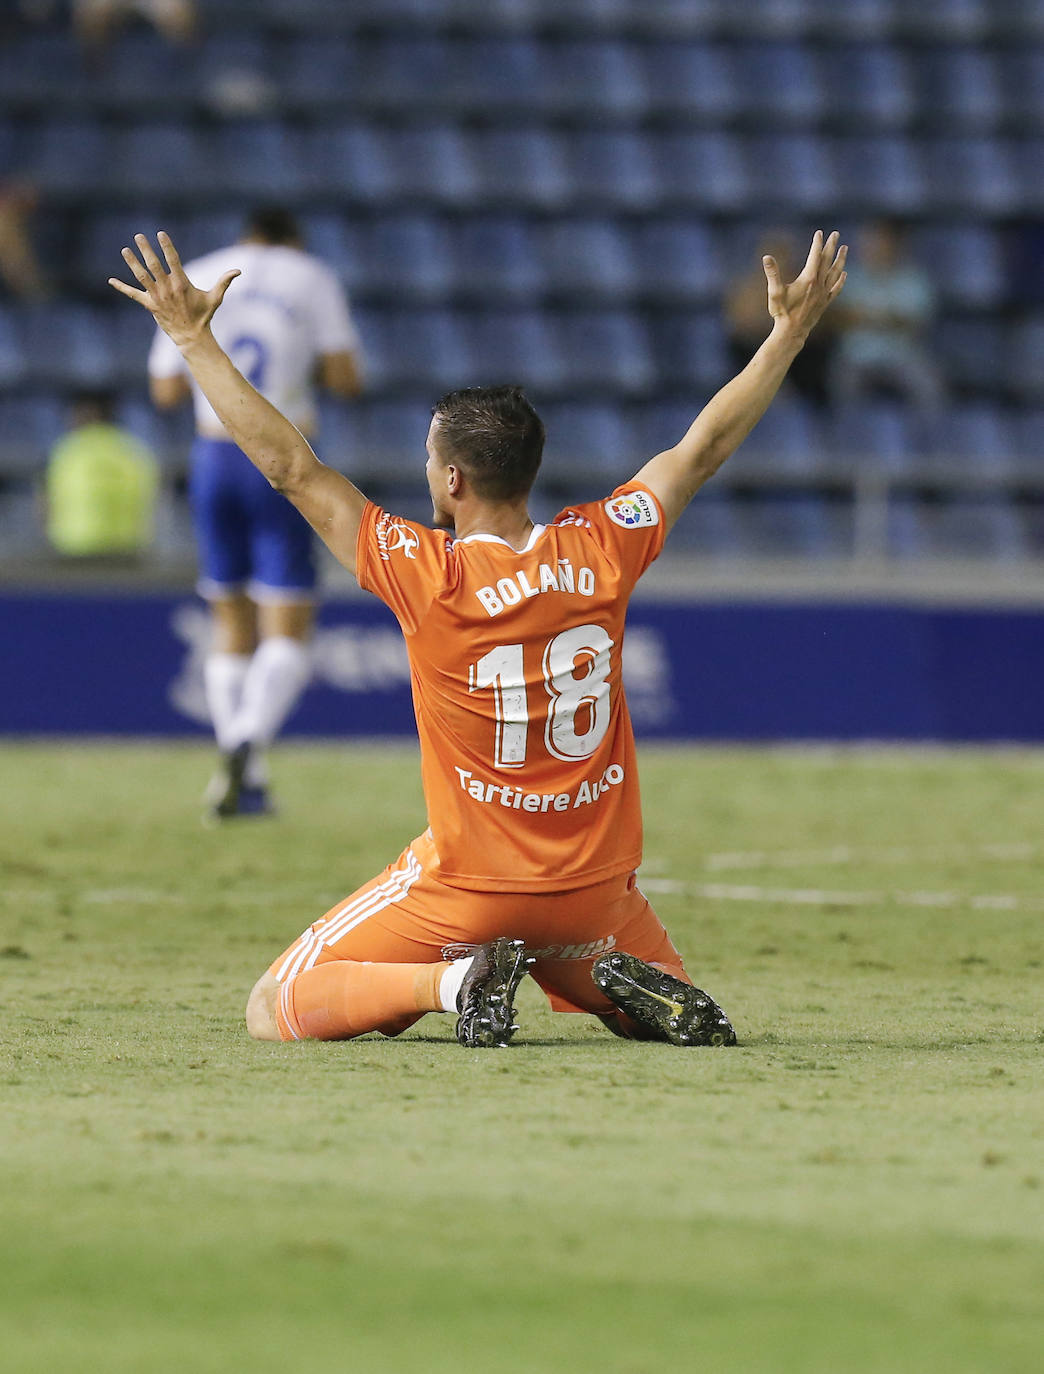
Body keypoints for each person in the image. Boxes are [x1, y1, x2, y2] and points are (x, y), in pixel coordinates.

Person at [111, 227, 846, 1049]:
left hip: (470, 890)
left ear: (453, 480)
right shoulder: (603, 546)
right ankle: (609, 977)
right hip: (596, 893)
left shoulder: (423, 570)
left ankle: (457, 978)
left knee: (274, 1002)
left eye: (431, 460)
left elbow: (291, 467)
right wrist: (788, 332)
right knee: (614, 969)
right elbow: (701, 447)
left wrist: (190, 339)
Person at [147, 207, 364, 820]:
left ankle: (241, 771)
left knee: (228, 616)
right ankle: (248, 738)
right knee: (287, 620)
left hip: (211, 456)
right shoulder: (312, 276)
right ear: (292, 237)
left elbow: (163, 391)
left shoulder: (200, 271)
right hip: (278, 457)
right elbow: (347, 377)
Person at [828, 217, 943, 413]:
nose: (878, 248)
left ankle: (928, 438)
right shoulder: (850, 277)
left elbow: (914, 323)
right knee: (842, 384)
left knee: (930, 387)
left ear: (898, 245)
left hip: (902, 357)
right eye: (873, 241)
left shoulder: (913, 279)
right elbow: (836, 318)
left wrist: (866, 317)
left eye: (884, 243)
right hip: (857, 357)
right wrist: (883, 318)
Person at [44, 389, 159, 558]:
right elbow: (151, 497)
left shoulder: (66, 450)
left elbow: (45, 504)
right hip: (127, 549)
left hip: (73, 548)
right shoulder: (133, 450)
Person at [725, 231, 833, 410]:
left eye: (785, 258)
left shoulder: (806, 290)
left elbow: (819, 326)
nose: (781, 265)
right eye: (775, 258)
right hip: (755, 355)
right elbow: (742, 326)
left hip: (799, 358)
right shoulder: (747, 289)